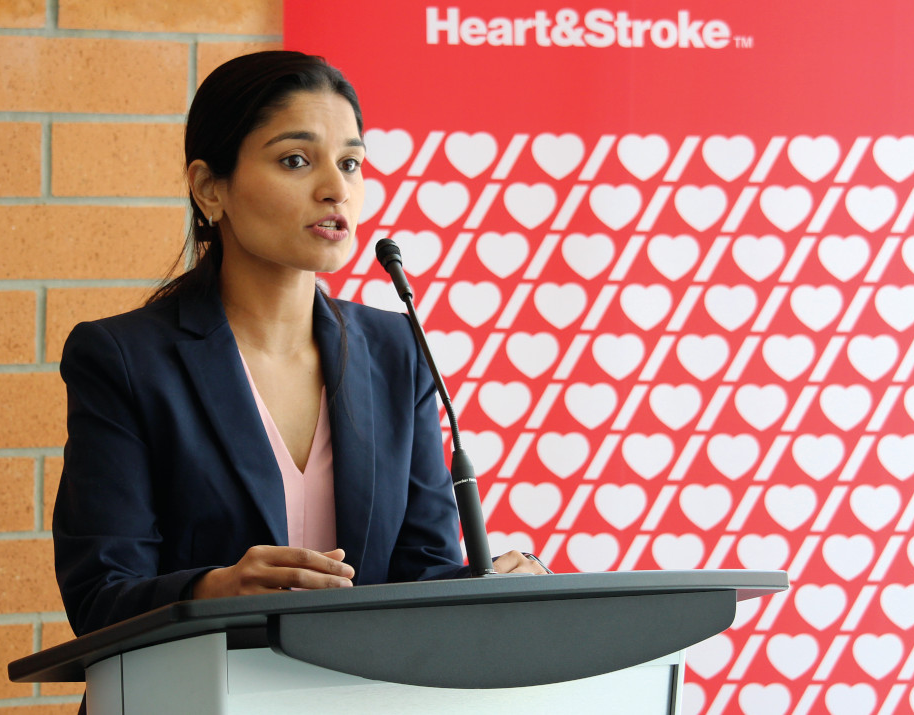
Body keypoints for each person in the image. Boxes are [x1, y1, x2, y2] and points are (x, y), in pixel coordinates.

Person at [53, 50, 545, 640]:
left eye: (352, 163)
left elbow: (420, 572)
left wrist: (488, 586)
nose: (336, 189)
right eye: (295, 160)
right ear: (210, 189)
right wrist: (212, 590)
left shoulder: (396, 350)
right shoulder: (123, 360)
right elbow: (99, 597)